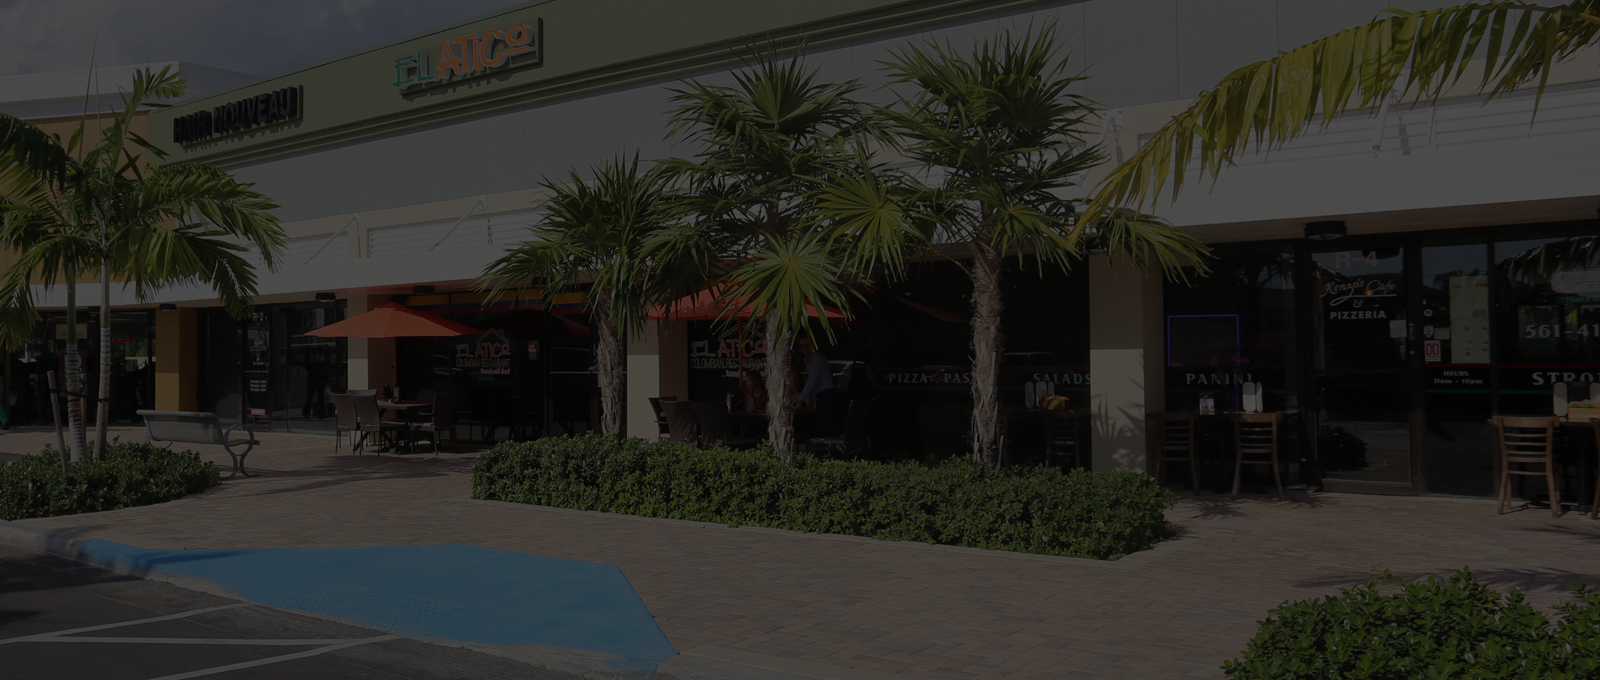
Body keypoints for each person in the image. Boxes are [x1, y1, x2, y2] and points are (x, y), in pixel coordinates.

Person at [796, 337, 840, 430]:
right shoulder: (808, 359)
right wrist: (815, 404)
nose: (804, 348)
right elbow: (814, 384)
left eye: (807, 345)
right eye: (802, 346)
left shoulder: (817, 358)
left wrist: (801, 400)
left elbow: (811, 381)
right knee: (822, 425)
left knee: (825, 426)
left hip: (827, 396)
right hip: (821, 396)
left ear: (813, 345)